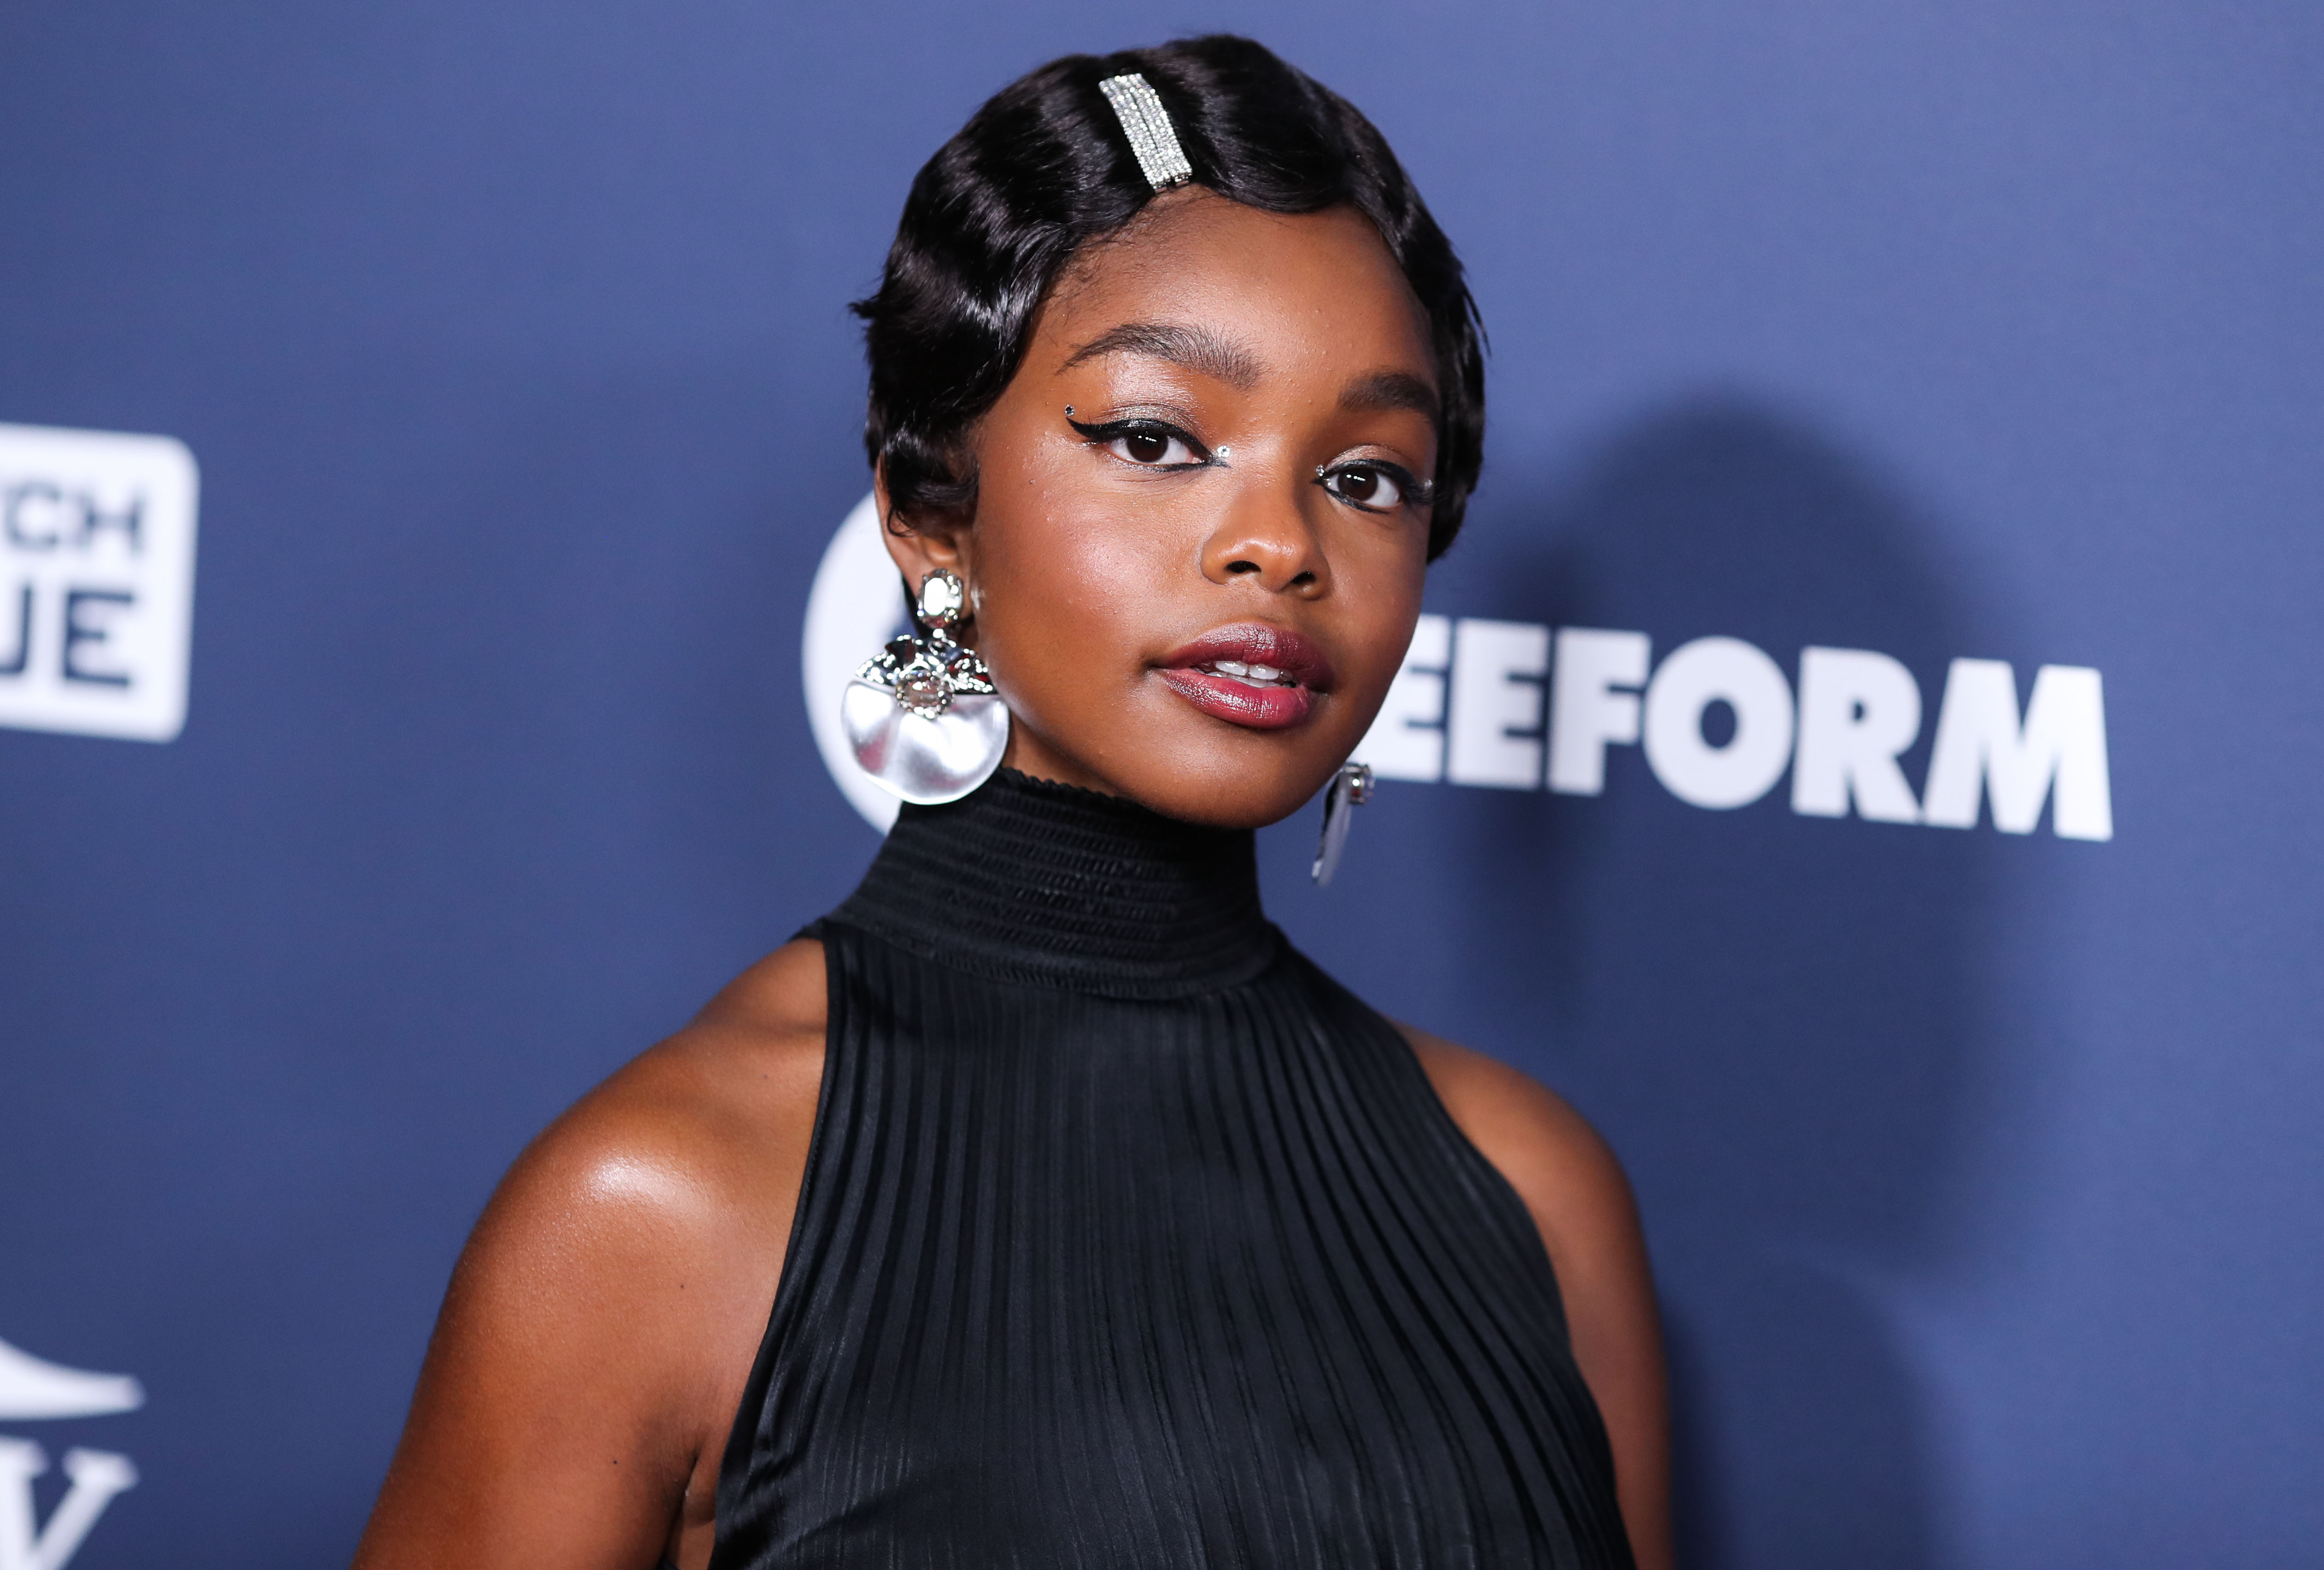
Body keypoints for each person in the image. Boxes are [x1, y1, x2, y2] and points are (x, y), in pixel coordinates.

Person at [353, 35, 1672, 1570]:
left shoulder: (1532, 1190)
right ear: (931, 518)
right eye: (1155, 441)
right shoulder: (663, 1201)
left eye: (1367, 475)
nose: (1278, 545)